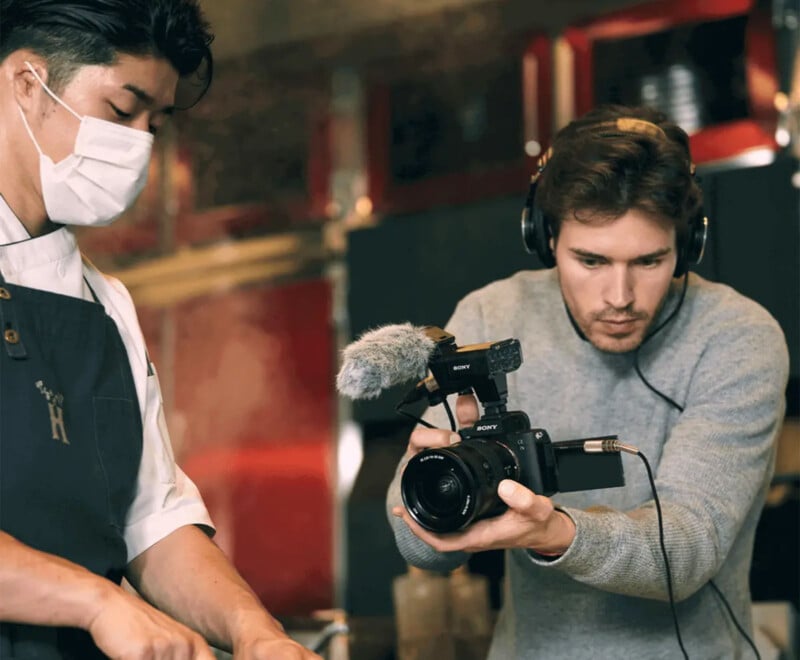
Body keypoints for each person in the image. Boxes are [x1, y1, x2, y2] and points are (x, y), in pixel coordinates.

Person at [387, 104, 790, 658]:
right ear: (545, 237)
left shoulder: (737, 336)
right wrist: (419, 486)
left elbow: (689, 549)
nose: (620, 297)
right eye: (591, 261)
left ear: (687, 248)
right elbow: (422, 550)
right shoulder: (490, 314)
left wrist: (554, 533)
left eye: (649, 262)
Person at [0, 1, 321, 658]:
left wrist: (253, 632)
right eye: (123, 110)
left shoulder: (106, 305)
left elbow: (153, 519)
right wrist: (96, 600)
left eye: (157, 124)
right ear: (27, 84)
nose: (141, 144)